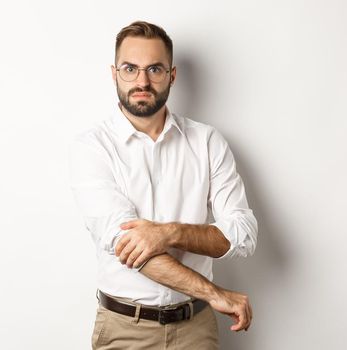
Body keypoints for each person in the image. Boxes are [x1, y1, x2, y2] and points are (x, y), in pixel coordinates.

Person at [69, 20, 257, 349]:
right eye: (130, 68)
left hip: (196, 330)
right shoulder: (92, 147)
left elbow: (242, 233)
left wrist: (168, 232)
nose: (142, 81)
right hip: (125, 329)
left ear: (172, 75)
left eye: (155, 69)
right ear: (114, 74)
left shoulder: (207, 141)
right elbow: (130, 248)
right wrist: (215, 294)